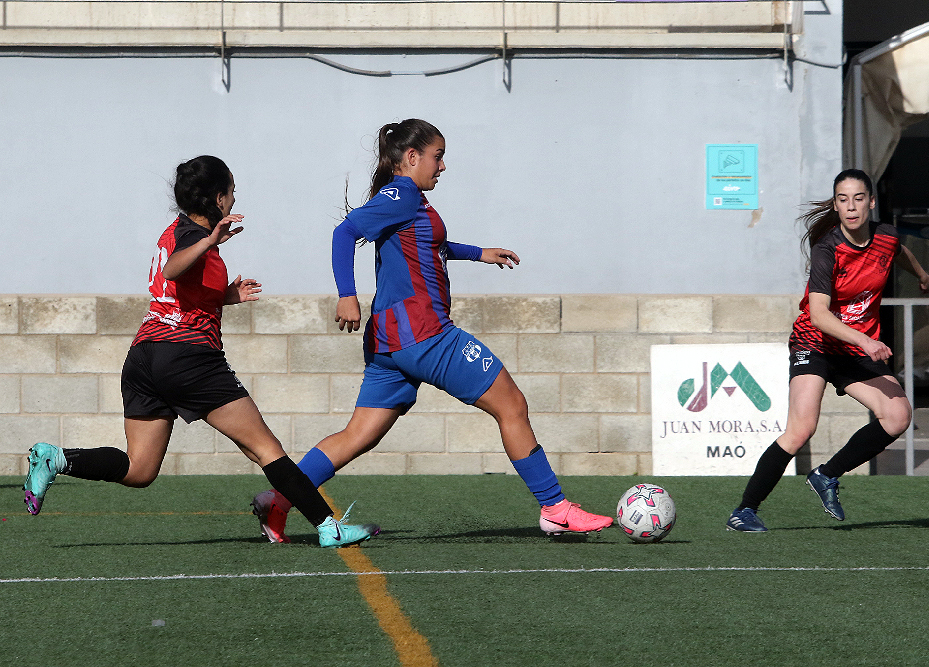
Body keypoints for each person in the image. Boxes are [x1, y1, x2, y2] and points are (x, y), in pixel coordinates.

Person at [250, 119, 613, 543]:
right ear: (412, 157)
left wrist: (479, 253)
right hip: (424, 334)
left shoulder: (410, 201)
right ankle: (555, 508)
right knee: (511, 404)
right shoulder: (401, 195)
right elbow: (344, 232)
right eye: (437, 157)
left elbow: (429, 244)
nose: (442, 166)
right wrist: (346, 294)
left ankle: (278, 501)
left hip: (390, 342)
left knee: (357, 435)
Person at [22, 156, 375, 548]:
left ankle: (57, 458)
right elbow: (174, 270)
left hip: (144, 357)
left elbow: (177, 291)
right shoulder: (195, 237)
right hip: (188, 358)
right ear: (218, 197)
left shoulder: (173, 230)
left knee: (140, 469)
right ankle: (329, 527)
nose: (234, 197)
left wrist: (225, 296)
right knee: (265, 448)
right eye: (231, 191)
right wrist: (209, 241)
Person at [726, 168, 929, 532]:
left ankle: (826, 475)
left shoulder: (885, 236)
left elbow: (897, 252)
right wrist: (865, 340)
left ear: (871, 202)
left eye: (858, 199)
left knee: (898, 415)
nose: (851, 207)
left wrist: (922, 275)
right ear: (836, 206)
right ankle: (744, 510)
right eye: (843, 200)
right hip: (816, 343)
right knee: (801, 428)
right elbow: (820, 315)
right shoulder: (828, 250)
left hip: (852, 350)